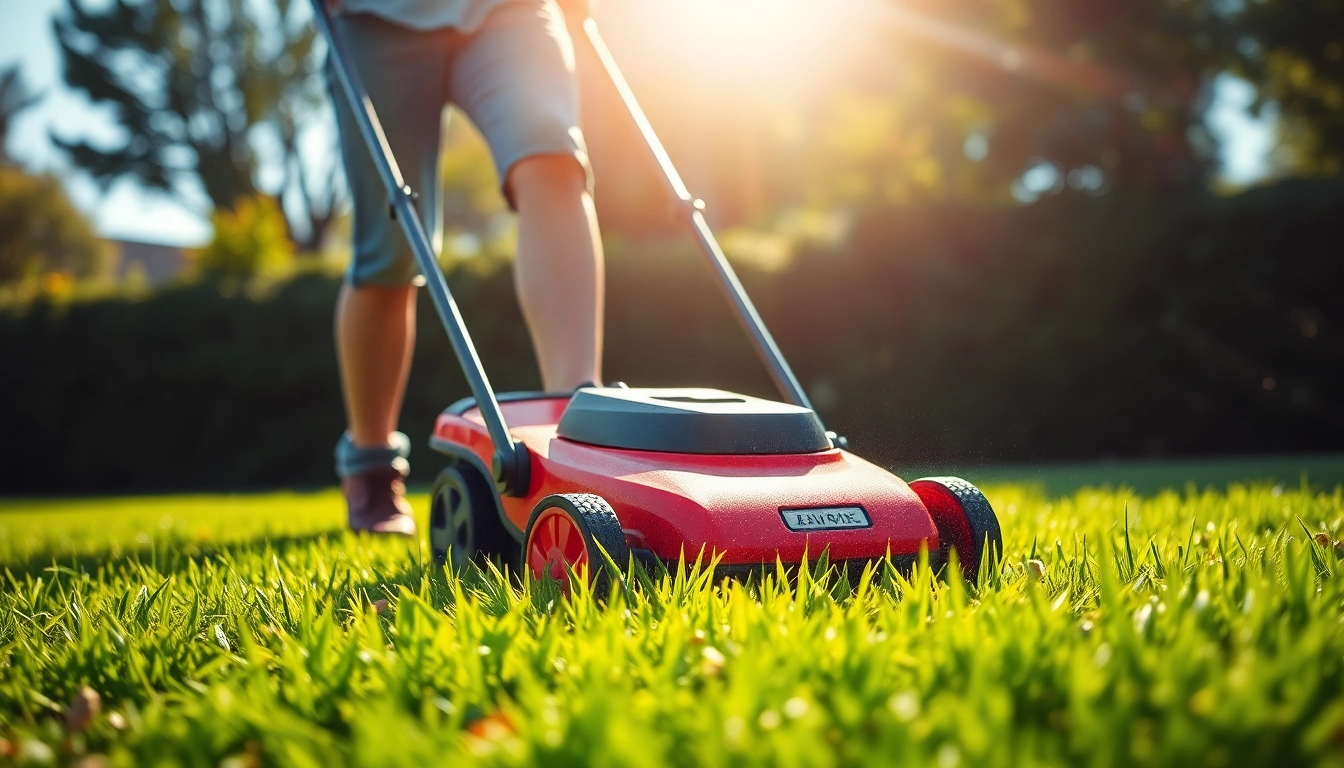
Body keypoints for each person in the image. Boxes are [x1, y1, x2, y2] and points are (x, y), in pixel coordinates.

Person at [329, 0, 603, 535]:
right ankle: (370, 465)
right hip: (375, 17)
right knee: (392, 241)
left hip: (515, 11)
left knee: (552, 158)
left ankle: (582, 432)